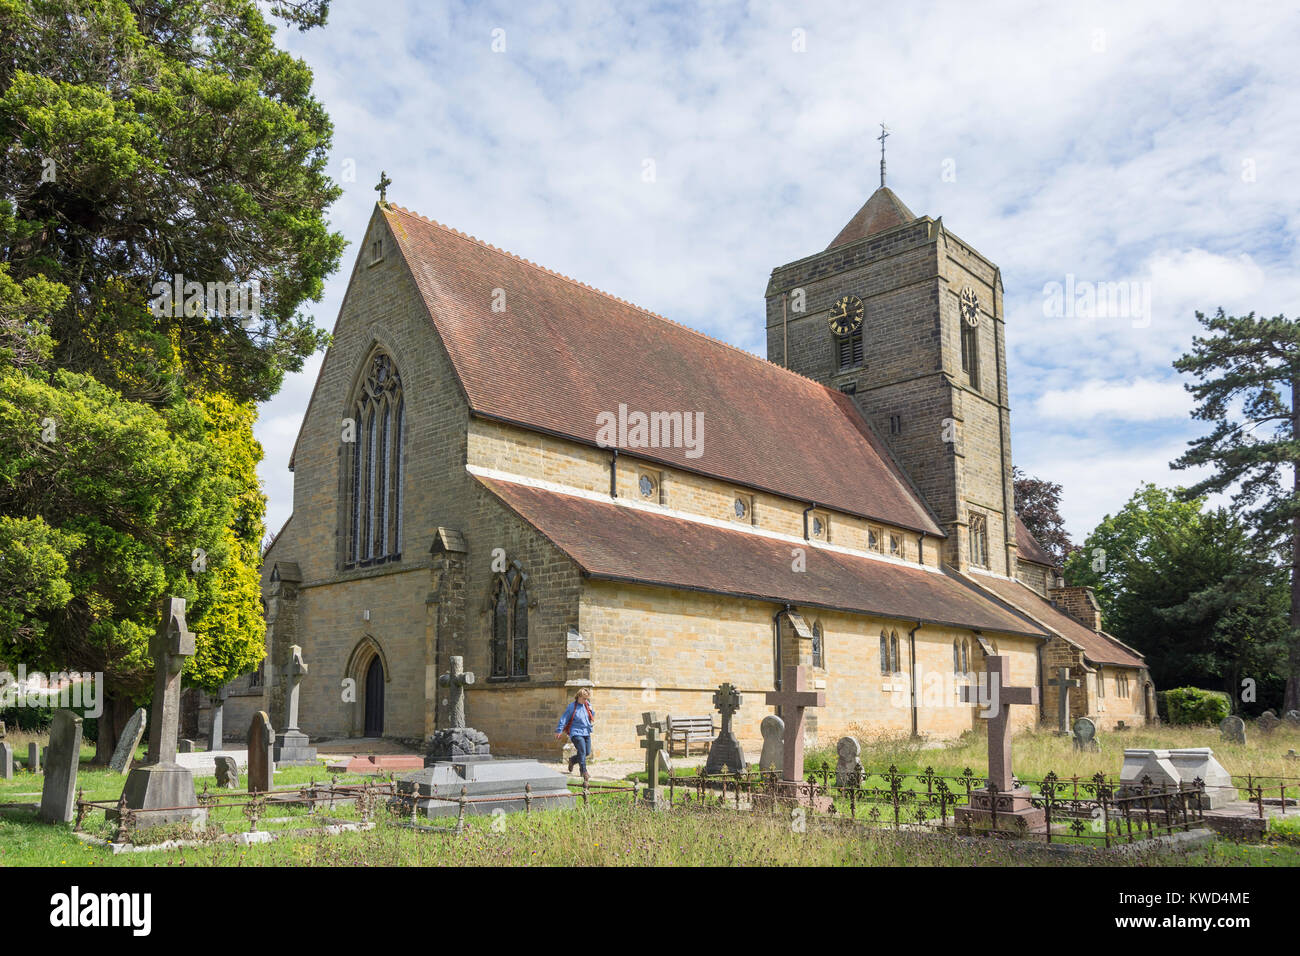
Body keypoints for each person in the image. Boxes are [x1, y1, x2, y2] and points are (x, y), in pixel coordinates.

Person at [555, 687, 594, 780]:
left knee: (587, 752)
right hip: (576, 732)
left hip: (586, 731)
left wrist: (591, 710)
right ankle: (583, 771)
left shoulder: (587, 705)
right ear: (579, 696)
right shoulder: (572, 706)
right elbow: (564, 718)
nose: (586, 700)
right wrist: (559, 730)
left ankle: (572, 760)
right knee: (582, 751)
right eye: (584, 698)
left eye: (587, 698)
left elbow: (591, 716)